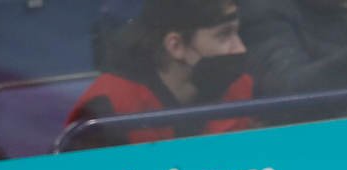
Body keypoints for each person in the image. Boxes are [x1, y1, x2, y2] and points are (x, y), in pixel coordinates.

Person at [66, 0, 255, 147]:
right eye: (224, 35)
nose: (240, 48)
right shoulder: (108, 108)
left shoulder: (239, 86)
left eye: (237, 33)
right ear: (176, 46)